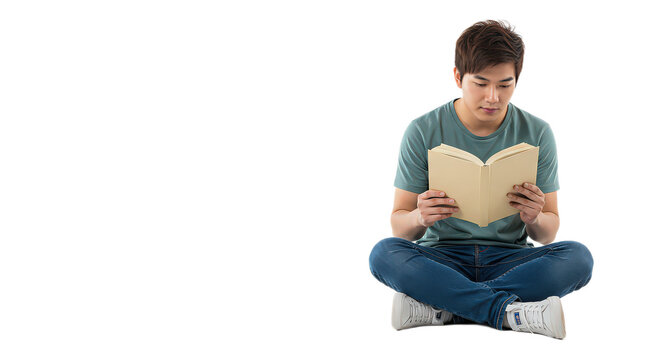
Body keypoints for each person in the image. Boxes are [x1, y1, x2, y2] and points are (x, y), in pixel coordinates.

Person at [368, 20, 593, 340]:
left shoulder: (537, 132)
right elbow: (399, 227)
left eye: (505, 84)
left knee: (578, 258)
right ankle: (508, 312)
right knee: (384, 254)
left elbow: (548, 233)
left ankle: (444, 308)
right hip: (442, 259)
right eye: (481, 83)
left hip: (511, 260)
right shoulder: (422, 130)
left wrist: (535, 216)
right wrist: (420, 216)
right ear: (458, 76)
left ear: (517, 79)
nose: (493, 97)